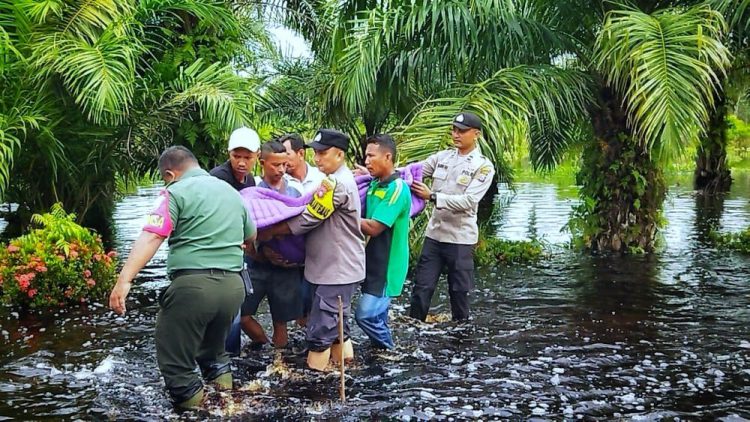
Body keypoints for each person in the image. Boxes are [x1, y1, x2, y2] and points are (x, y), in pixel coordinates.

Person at [109, 146, 254, 409]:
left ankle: (199, 413)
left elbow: (153, 234)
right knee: (214, 354)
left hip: (193, 288)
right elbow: (251, 236)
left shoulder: (174, 192)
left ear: (169, 174)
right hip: (234, 288)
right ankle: (228, 408)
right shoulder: (232, 193)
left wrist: (124, 280)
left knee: (177, 364)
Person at [258, 129, 365, 371]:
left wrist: (272, 231)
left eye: (323, 153)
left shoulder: (337, 185)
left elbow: (308, 218)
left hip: (336, 271)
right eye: (315, 153)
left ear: (339, 154)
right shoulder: (335, 181)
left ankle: (314, 393)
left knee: (319, 333)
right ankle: (345, 374)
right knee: (338, 330)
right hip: (338, 269)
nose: (316, 159)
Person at [409, 112, 496, 322]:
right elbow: (412, 171)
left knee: (459, 293)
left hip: (460, 239)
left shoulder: (483, 166)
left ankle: (461, 340)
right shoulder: (442, 157)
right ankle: (414, 331)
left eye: (462, 131)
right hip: (435, 236)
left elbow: (468, 201)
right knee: (422, 287)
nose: (456, 135)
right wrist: (374, 172)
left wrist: (432, 196)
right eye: (454, 130)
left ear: (476, 134)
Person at [241, 141, 303, 349]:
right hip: (256, 262)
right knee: (242, 314)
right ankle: (264, 344)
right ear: (262, 162)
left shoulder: (295, 190)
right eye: (275, 165)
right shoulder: (251, 189)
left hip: (285, 266)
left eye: (284, 165)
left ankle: (279, 360)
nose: (280, 170)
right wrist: (259, 252)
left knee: (281, 321)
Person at [355, 134, 412, 350]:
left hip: (388, 266)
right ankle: (380, 355)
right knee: (378, 317)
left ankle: (391, 351)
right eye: (365, 156)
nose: (366, 161)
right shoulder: (375, 184)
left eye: (371, 156)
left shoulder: (397, 189)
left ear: (387, 157)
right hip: (371, 262)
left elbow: (374, 227)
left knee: (365, 316)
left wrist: (342, 215)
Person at [209, 126, 260, 355]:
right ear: (228, 154)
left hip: (238, 256)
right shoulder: (218, 179)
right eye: (236, 156)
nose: (241, 162)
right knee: (228, 314)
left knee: (234, 312)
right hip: (218, 255)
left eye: (247, 157)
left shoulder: (250, 181)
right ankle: (225, 360)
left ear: (257, 155)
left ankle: (232, 359)